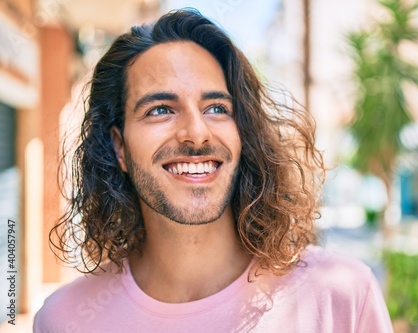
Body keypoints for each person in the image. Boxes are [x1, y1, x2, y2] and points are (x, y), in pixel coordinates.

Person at [34, 9, 394, 333]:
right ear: (119, 148)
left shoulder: (342, 297)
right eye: (160, 109)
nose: (196, 133)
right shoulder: (64, 320)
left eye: (217, 108)